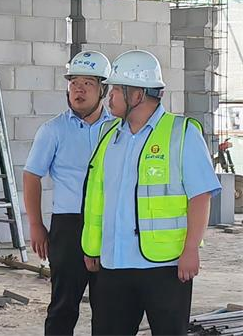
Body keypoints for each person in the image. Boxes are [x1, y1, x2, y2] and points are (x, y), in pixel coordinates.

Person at [81, 49, 221, 335]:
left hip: (164, 266)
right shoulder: (109, 135)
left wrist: (191, 249)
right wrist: (92, 248)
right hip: (114, 264)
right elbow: (99, 197)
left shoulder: (181, 133)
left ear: (137, 94)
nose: (109, 97)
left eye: (116, 90)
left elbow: (200, 196)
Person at [23, 50, 113, 335]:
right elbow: (32, 176)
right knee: (63, 305)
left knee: (110, 307)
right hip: (69, 226)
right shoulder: (53, 130)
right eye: (74, 83)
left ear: (103, 90)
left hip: (110, 224)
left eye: (88, 83)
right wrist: (36, 225)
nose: (79, 90)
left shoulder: (118, 128)